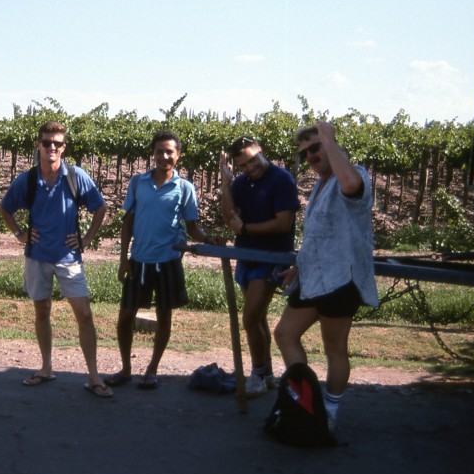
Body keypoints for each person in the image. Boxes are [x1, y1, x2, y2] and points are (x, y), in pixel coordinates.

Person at [274, 120, 379, 433]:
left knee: (334, 349)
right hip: (315, 277)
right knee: (285, 334)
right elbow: (320, 236)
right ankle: (306, 398)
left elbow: (349, 186)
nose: (310, 156)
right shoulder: (320, 185)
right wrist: (300, 265)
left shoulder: (353, 174)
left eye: (315, 147)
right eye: (305, 151)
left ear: (331, 146)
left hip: (341, 281)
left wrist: (329, 139)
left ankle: (329, 411)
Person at [0, 121, 112, 398]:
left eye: (57, 143)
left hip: (68, 257)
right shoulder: (27, 180)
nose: (51, 147)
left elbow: (100, 208)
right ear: (38, 145)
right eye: (46, 142)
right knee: (42, 312)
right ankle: (46, 367)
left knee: (84, 315)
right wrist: (19, 234)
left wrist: (86, 240)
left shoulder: (75, 176)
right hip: (37, 257)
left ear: (64, 147)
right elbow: (5, 208)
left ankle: (94, 375)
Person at [104, 130, 219, 390]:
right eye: (159, 151)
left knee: (164, 316)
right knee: (125, 317)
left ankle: (152, 369)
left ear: (178, 155)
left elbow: (192, 228)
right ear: (153, 154)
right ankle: (125, 368)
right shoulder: (138, 183)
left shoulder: (185, 188)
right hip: (139, 261)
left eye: (170, 151)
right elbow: (128, 222)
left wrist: (209, 239)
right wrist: (124, 259)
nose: (164, 156)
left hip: (168, 261)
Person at [218, 136, 301, 398]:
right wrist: (226, 184)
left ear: (260, 151)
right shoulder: (242, 182)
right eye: (243, 166)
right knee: (258, 319)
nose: (250, 168)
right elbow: (228, 217)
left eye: (253, 161)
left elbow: (283, 224)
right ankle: (266, 374)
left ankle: (256, 374)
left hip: (272, 257)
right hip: (247, 256)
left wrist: (245, 228)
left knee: (250, 318)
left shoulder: (282, 179)